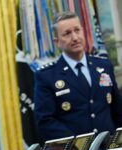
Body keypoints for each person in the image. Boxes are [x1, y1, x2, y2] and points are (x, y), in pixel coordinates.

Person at [34, 11, 122, 141]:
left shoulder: (103, 66)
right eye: (67, 33)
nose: (75, 37)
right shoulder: (47, 76)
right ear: (57, 42)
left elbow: (117, 110)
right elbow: (46, 121)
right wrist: (78, 145)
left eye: (77, 30)